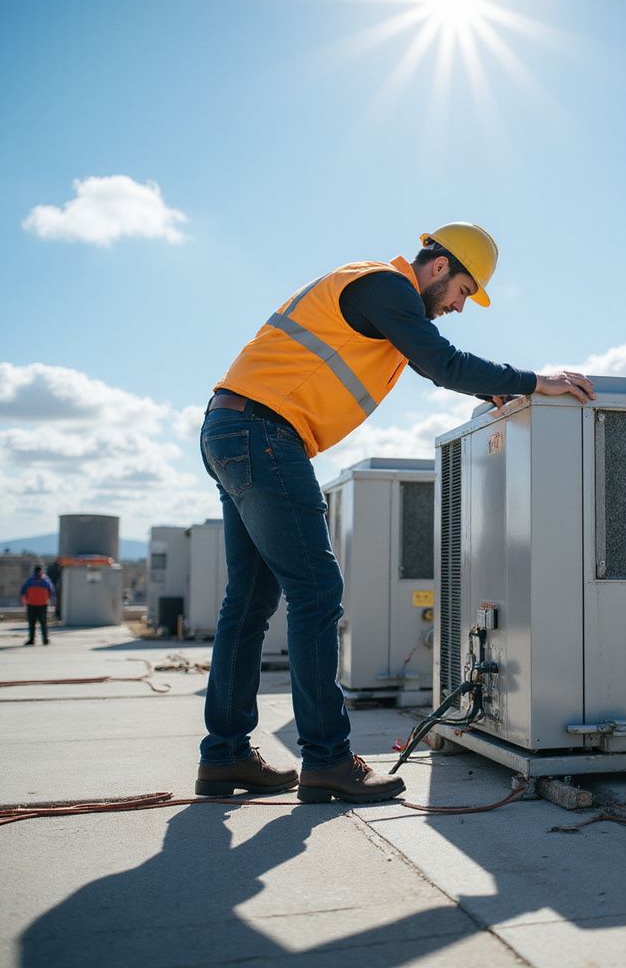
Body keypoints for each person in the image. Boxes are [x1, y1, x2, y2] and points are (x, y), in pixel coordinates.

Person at [196, 223, 594, 804]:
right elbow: (443, 364)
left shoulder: (376, 301)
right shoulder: (385, 286)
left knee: (251, 602)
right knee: (315, 591)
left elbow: (435, 363)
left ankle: (225, 755)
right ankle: (328, 760)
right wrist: (538, 381)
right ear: (438, 267)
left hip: (234, 429)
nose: (459, 306)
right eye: (462, 291)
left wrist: (488, 391)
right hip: (263, 435)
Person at [20, 565, 55, 646]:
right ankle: (44, 640)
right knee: (41, 623)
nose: (38, 573)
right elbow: (52, 592)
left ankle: (34, 640)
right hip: (39, 605)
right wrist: (49, 599)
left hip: (34, 605)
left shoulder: (30, 581)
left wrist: (25, 600)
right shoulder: (46, 581)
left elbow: (23, 591)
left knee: (33, 623)